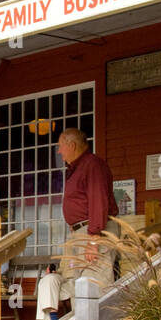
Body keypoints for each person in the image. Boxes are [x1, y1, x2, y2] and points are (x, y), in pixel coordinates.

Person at [56, 127, 119, 309]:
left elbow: (98, 201)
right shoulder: (76, 168)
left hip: (93, 232)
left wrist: (93, 239)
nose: (59, 151)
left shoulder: (92, 165)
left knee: (96, 285)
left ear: (72, 145)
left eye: (61, 146)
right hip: (81, 233)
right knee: (79, 288)